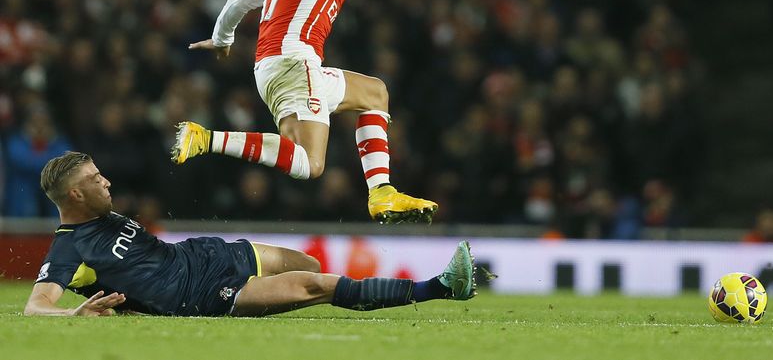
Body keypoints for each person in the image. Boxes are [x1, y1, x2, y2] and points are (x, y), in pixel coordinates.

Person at [172, 0, 473, 224]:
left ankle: (382, 191)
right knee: (310, 164)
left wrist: (223, 39)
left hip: (274, 68)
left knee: (374, 92)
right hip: (294, 65)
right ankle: (206, 138)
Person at [24, 151, 476, 317]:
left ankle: (340, 293)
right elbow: (35, 306)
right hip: (202, 293)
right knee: (317, 286)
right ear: (75, 196)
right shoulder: (71, 247)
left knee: (310, 266)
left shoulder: (103, 216)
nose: (106, 182)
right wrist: (71, 316)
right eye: (96, 179)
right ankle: (441, 286)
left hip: (205, 254)